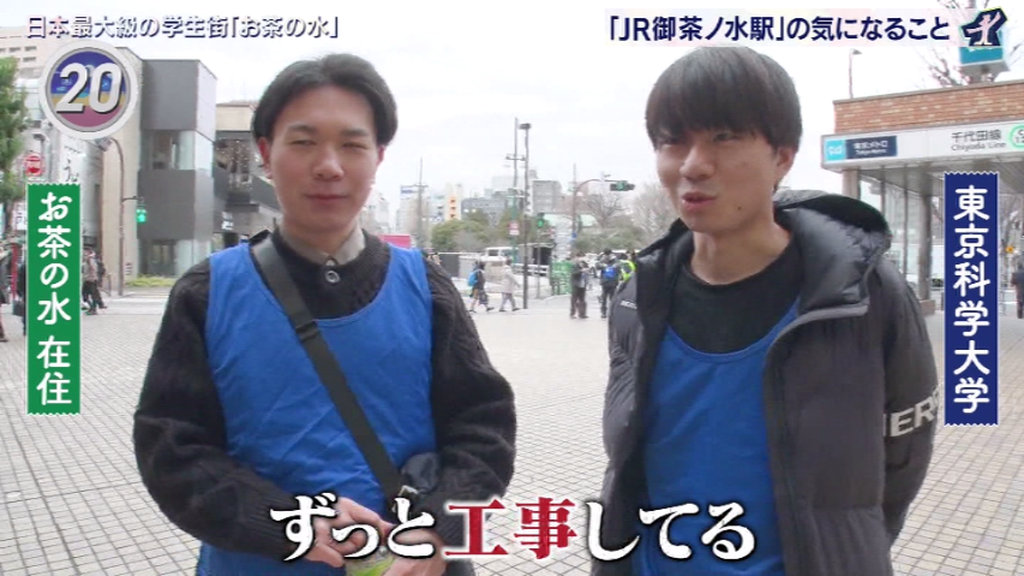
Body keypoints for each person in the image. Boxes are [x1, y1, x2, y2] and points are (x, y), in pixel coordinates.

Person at [133, 53, 516, 576]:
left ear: (379, 157)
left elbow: (483, 427)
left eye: (352, 145)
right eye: (304, 142)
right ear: (266, 154)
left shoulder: (425, 287)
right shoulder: (207, 293)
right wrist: (286, 522)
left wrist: (436, 529)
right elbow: (171, 449)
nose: (329, 166)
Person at [596, 47, 937, 576]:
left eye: (724, 137)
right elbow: (629, 460)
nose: (693, 165)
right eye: (672, 141)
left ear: (782, 156)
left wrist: (845, 548)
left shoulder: (861, 295)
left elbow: (903, 455)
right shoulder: (639, 296)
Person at [597, 252, 620, 319]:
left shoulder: (616, 261)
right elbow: (597, 266)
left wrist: (615, 266)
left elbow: (619, 267)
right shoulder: (603, 260)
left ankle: (611, 312)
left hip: (612, 283)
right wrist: (603, 264)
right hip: (606, 283)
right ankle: (604, 312)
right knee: (604, 298)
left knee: (612, 299)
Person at [569, 252, 589, 319]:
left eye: (583, 257)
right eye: (580, 257)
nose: (582, 258)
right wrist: (581, 271)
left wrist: (586, 270)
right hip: (576, 284)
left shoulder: (585, 264)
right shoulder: (574, 264)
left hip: (583, 284)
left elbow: (587, 271)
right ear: (577, 257)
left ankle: (582, 314)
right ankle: (572, 314)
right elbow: (573, 273)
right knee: (574, 299)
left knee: (582, 299)